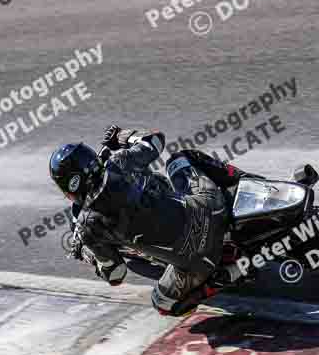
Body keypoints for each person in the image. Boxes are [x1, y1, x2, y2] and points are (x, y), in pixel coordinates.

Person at [49, 125, 239, 316]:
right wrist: (122, 137)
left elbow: (116, 275)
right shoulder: (120, 162)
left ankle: (226, 276)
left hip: (199, 262)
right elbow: (156, 140)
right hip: (212, 208)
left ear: (69, 187)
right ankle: (242, 181)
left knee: (162, 303)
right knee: (179, 159)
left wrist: (87, 254)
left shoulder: (87, 226)